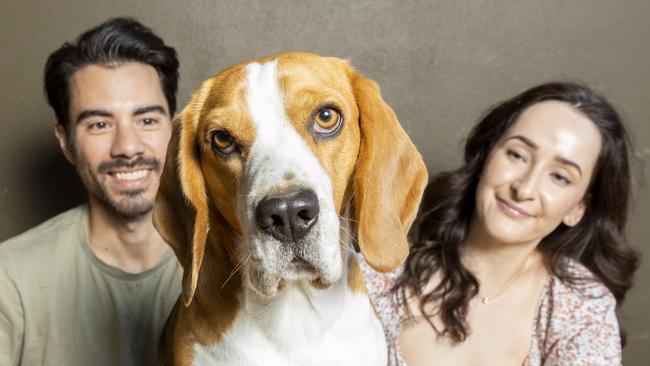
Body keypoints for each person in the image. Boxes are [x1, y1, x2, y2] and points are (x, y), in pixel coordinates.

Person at [363, 82, 640, 365]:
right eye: (517, 155)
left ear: (578, 208)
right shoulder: (381, 269)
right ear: (487, 155)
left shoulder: (581, 309)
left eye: (560, 177)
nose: (525, 189)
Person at [0, 18, 182, 366]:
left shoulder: (234, 267)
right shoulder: (10, 281)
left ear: (174, 129)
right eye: (99, 124)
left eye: (147, 120)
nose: (127, 147)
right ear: (66, 142)